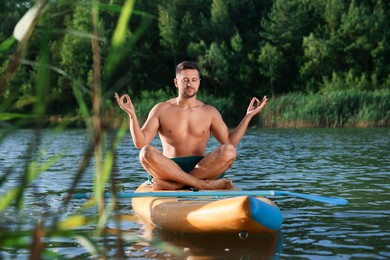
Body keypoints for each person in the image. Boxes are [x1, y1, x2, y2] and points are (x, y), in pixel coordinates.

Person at [115, 61, 267, 190]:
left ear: (199, 81)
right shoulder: (161, 109)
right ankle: (202, 185)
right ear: (176, 82)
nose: (190, 84)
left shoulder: (209, 111)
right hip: (168, 168)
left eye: (194, 80)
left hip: (203, 168)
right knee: (145, 152)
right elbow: (140, 142)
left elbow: (229, 141)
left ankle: (175, 185)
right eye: (185, 80)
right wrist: (132, 115)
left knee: (229, 151)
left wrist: (248, 116)